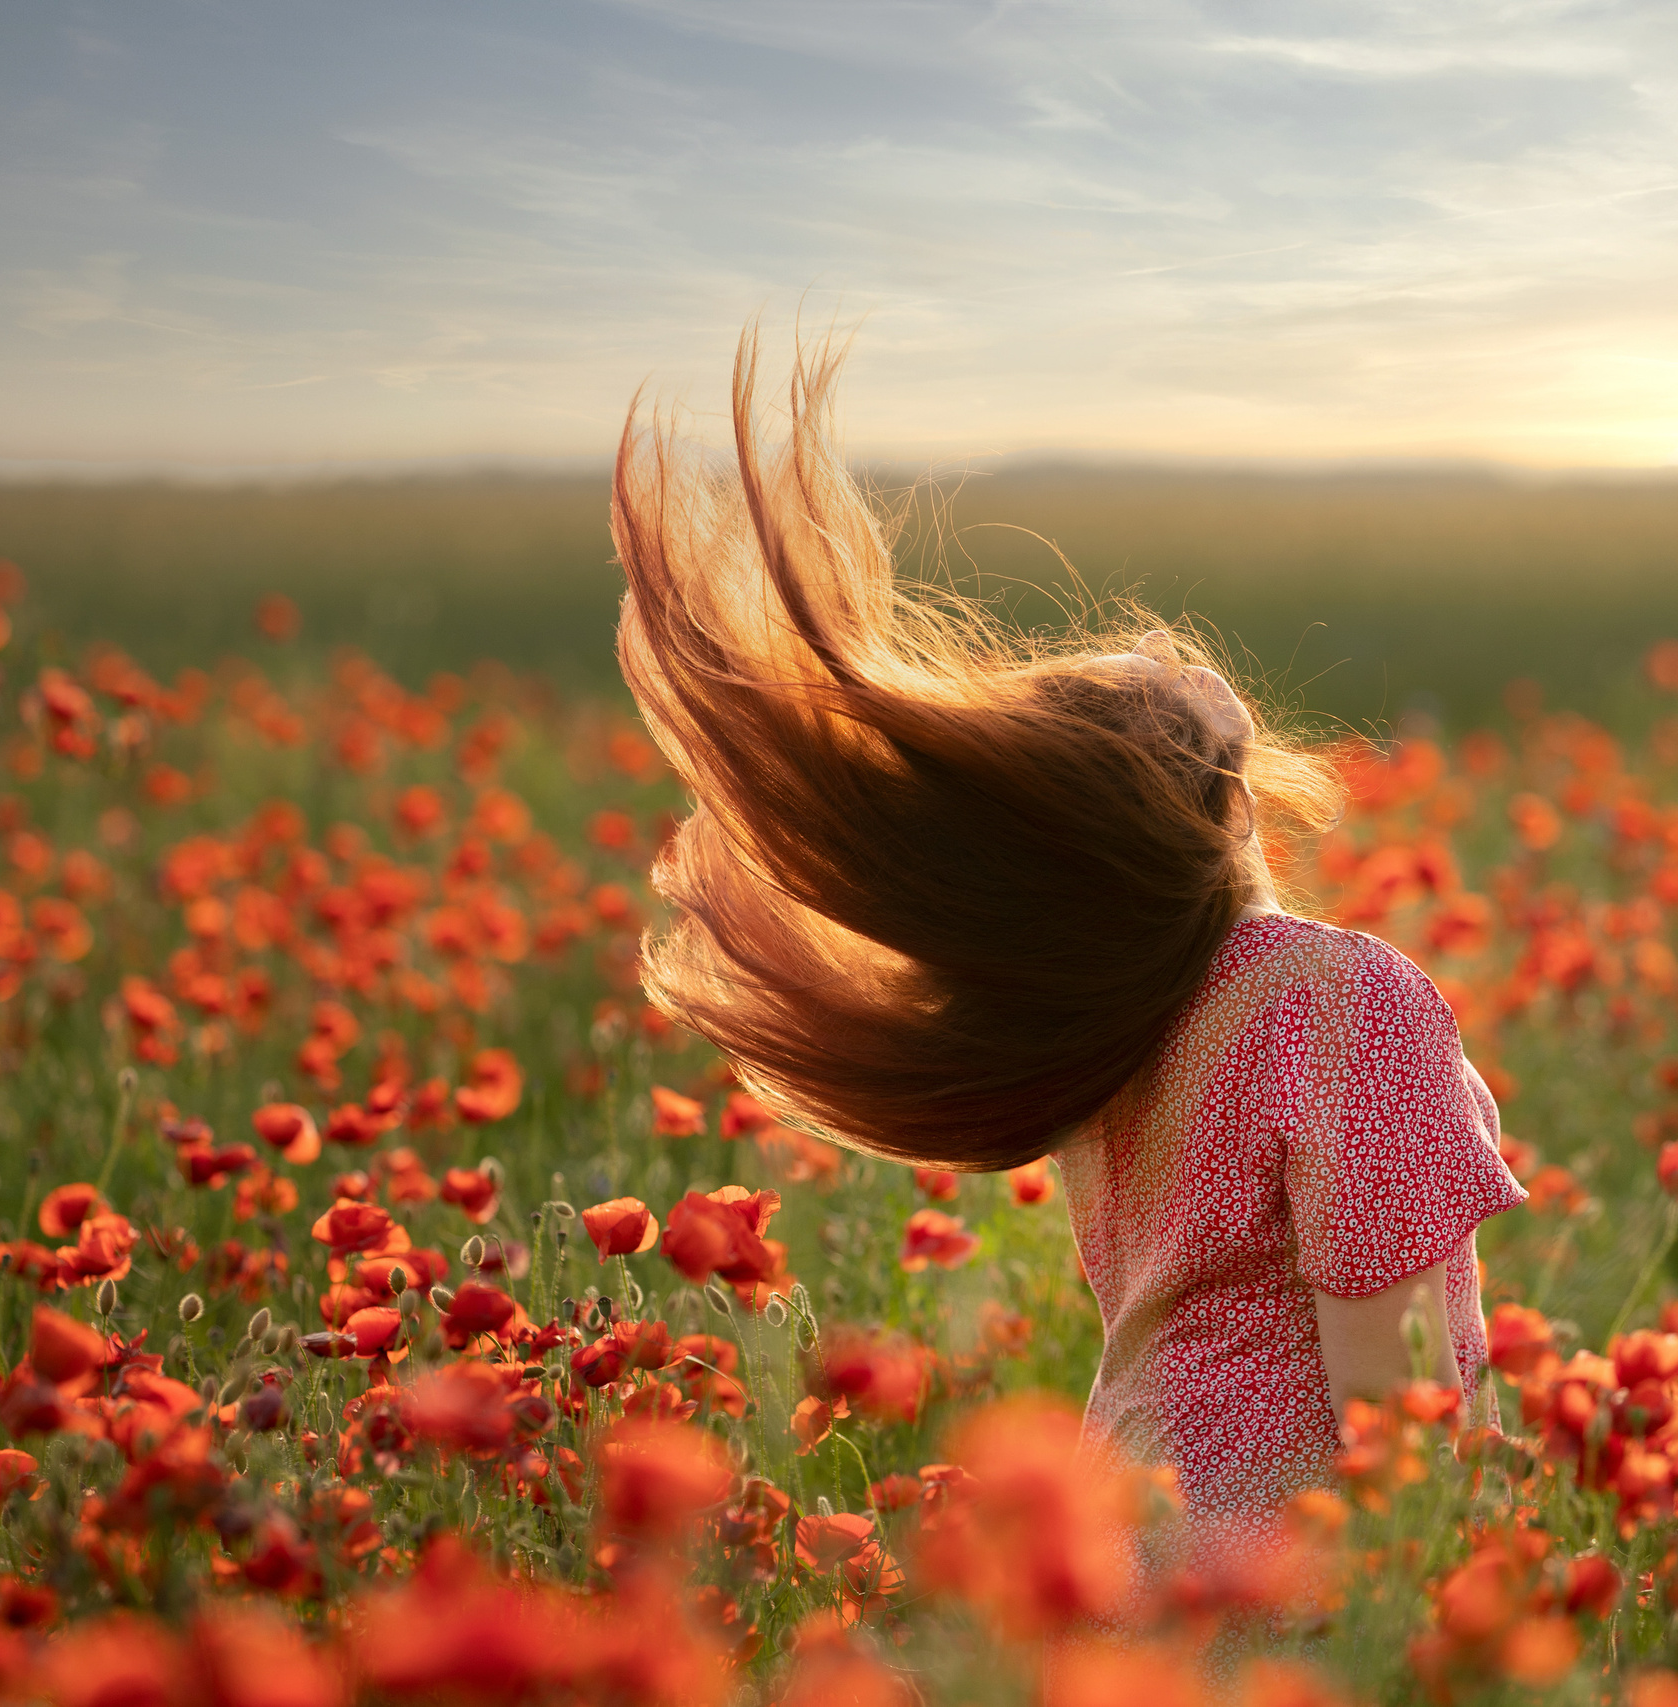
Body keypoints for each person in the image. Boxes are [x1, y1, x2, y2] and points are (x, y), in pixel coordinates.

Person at [609, 333, 1527, 1557]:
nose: (1160, 649)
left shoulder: (1137, 1007)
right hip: (1275, 1581)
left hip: (1116, 1542)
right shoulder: (1341, 997)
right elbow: (1396, 1406)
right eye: (1133, 683)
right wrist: (1465, 1603)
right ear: (1182, 800)